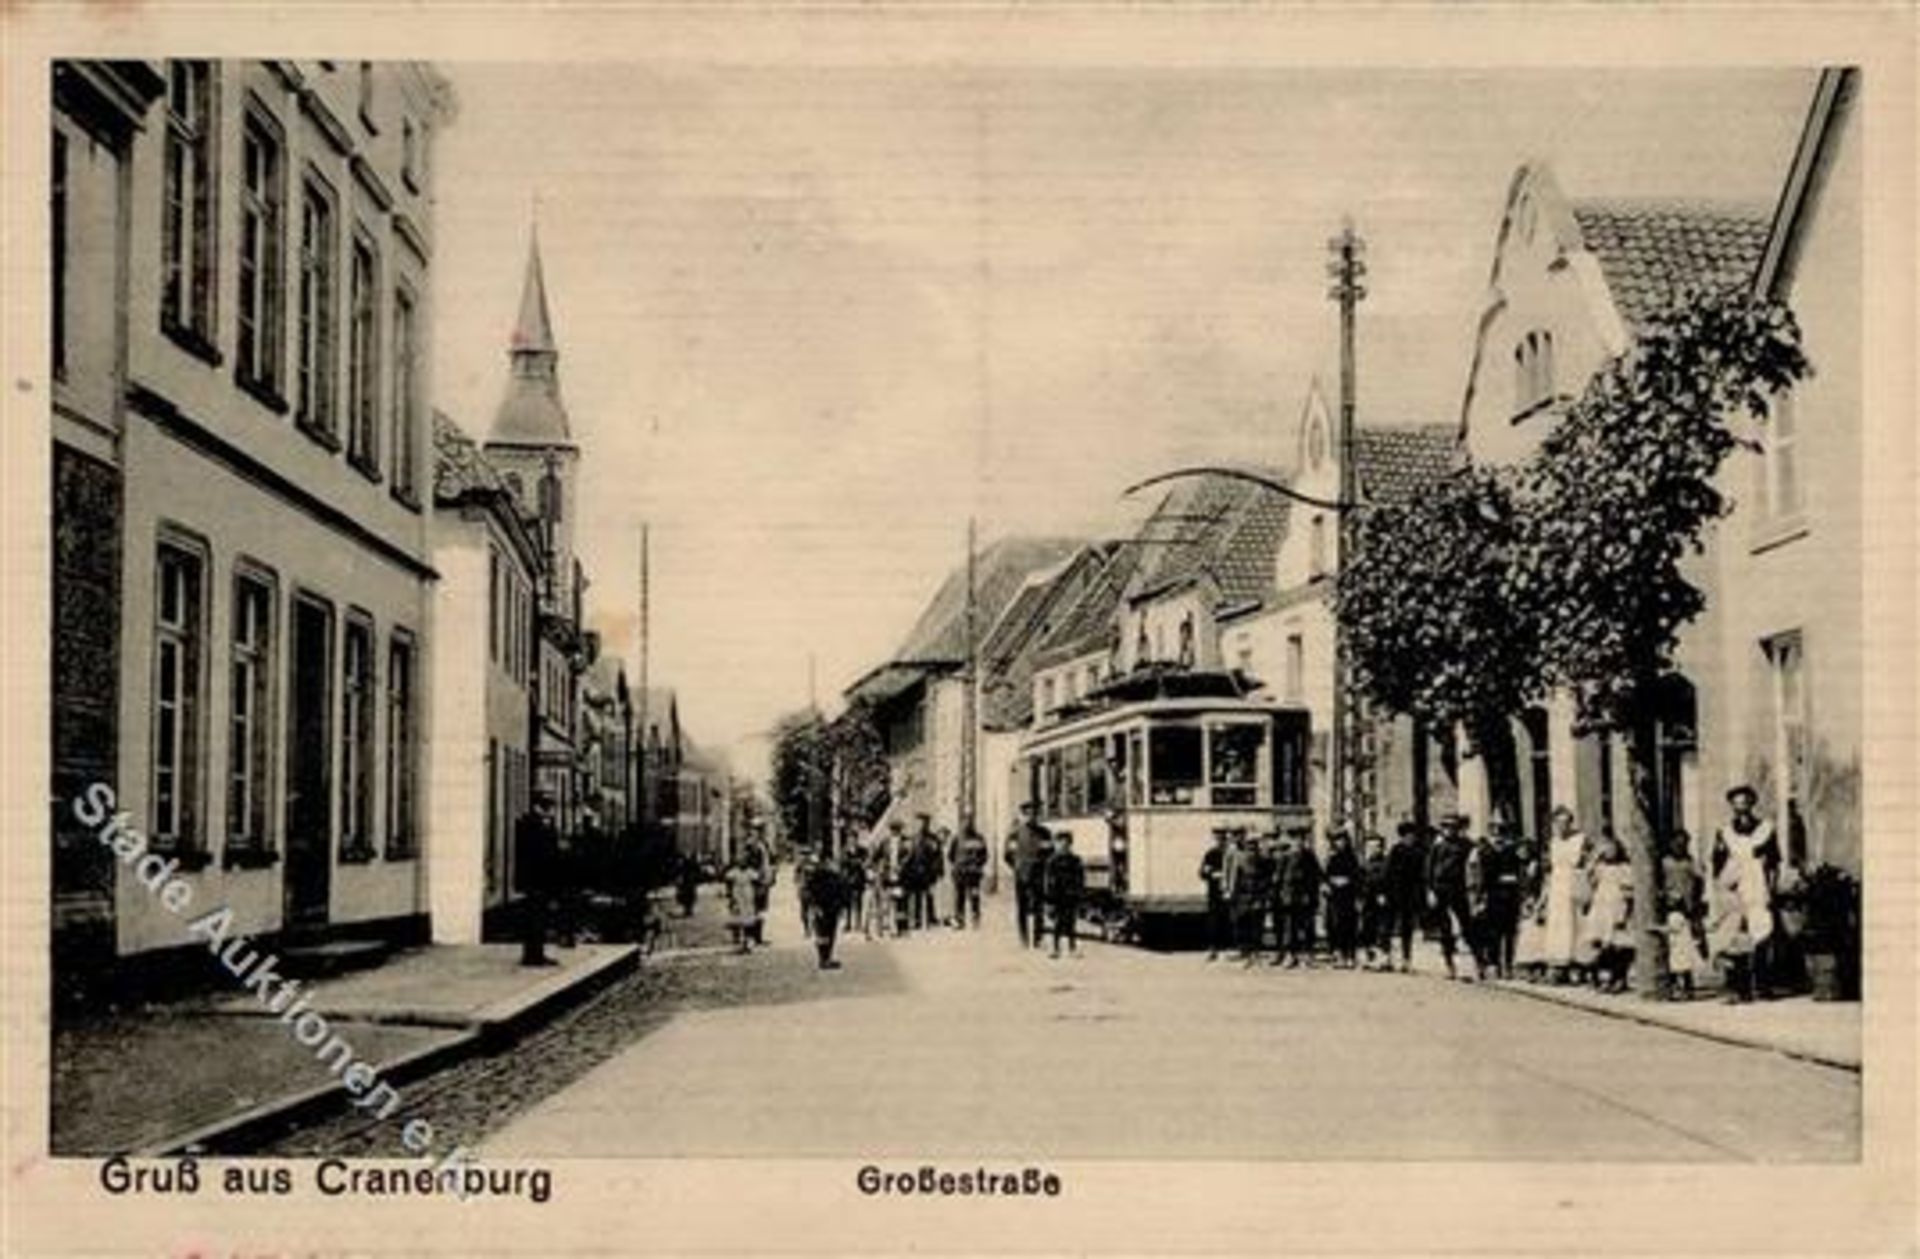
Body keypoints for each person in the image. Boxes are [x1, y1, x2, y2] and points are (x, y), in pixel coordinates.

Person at [1714, 785, 1782, 997]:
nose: (1741, 808)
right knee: (1736, 936)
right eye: (1736, 804)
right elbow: (1717, 863)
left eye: (1745, 803)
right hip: (1734, 886)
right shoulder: (1725, 832)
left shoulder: (1765, 830)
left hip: (1758, 886)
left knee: (1761, 934)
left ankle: (1762, 985)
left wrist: (1771, 889)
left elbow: (1774, 863)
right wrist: (1725, 886)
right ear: (1732, 806)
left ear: (1752, 804)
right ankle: (1739, 987)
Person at [1540, 805, 1589, 985]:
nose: (1561, 827)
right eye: (1558, 823)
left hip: (1573, 882)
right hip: (1557, 885)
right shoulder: (1552, 842)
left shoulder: (1580, 839)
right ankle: (1558, 966)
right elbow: (1548, 869)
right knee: (1558, 925)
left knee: (1575, 924)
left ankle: (1577, 965)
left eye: (1565, 823)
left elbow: (1587, 862)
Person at [1581, 833, 1635, 992]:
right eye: (1606, 849)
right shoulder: (1600, 868)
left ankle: (1619, 978)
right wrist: (1595, 858)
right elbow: (1588, 878)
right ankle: (1603, 977)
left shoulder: (1625, 868)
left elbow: (1629, 891)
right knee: (1600, 945)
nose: (1610, 852)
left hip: (1617, 906)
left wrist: (1626, 912)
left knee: (1619, 945)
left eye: (1613, 848)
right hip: (1601, 906)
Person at [515, 791, 562, 967]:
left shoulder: (540, 823)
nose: (551, 810)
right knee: (534, 918)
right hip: (535, 878)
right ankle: (532, 955)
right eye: (549, 806)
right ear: (541, 806)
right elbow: (534, 854)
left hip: (540, 879)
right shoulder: (531, 823)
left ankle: (537, 953)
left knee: (539, 918)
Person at [1426, 814, 1475, 980]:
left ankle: (1473, 965)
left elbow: (1474, 862)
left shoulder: (1466, 845)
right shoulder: (1437, 847)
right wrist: (1430, 891)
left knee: (1466, 926)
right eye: (1446, 827)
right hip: (1440, 890)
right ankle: (1450, 965)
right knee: (1444, 929)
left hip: (1459, 890)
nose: (1449, 830)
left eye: (1453, 827)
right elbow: (1429, 869)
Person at [1661, 830, 1706, 1000]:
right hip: (1671, 908)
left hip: (1689, 908)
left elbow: (1700, 880)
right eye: (1677, 843)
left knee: (1689, 947)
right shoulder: (1665, 862)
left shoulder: (1691, 862)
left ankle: (1688, 984)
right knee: (1672, 947)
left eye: (1684, 843)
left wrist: (1697, 899)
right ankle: (1672, 984)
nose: (1680, 846)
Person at [1480, 819, 1526, 980]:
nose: (1498, 836)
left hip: (1511, 895)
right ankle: (1495, 964)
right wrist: (1482, 895)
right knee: (1494, 932)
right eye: (1494, 832)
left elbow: (1521, 869)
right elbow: (1483, 876)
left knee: (1510, 931)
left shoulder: (1512, 850)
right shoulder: (1485, 851)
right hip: (1494, 895)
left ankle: (1508, 965)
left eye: (1501, 832)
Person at [1004, 802, 1051, 949]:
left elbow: (1049, 852)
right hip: (1022, 874)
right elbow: (1007, 855)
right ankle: (1023, 937)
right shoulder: (1015, 834)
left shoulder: (1044, 833)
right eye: (1028, 814)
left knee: (1039, 907)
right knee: (1022, 907)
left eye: (1034, 814)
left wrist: (1042, 865)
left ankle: (1038, 938)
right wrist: (1017, 867)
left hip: (1038, 873)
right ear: (1023, 815)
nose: (1032, 817)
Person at [1276, 827, 1322, 968]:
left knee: (1308, 926)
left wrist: (1313, 893)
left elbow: (1317, 875)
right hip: (1290, 896)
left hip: (1306, 896)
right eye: (1296, 839)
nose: (1299, 842)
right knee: (1290, 927)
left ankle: (1308, 955)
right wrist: (1282, 894)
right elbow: (1279, 878)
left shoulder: (1310, 856)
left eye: (1302, 839)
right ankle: (1291, 955)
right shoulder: (1285, 856)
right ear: (1291, 841)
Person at [1225, 831, 1272, 967]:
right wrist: (1232, 893)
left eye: (1254, 845)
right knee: (1242, 923)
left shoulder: (1263, 860)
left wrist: (1265, 895)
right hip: (1243, 896)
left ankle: (1256, 952)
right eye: (1249, 845)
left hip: (1257, 895)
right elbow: (1235, 878)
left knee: (1257, 924)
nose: (1251, 848)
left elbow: (1267, 878)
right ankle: (1245, 951)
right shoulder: (1240, 859)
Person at [1383, 821, 1425, 972]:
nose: (1410, 838)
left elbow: (1421, 876)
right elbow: (1387, 874)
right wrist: (1384, 892)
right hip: (1394, 894)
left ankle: (1406, 960)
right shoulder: (1395, 851)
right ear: (1402, 836)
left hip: (1409, 895)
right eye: (1408, 836)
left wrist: (1419, 896)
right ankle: (1387, 958)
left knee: (1407, 928)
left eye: (1412, 835)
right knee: (1388, 926)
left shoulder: (1418, 853)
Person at [1043, 830, 1087, 958]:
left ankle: (1072, 948)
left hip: (1071, 895)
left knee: (1071, 924)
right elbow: (1048, 881)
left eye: (1066, 842)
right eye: (1060, 842)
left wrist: (1080, 893)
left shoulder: (1076, 860)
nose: (1063, 845)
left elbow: (1080, 878)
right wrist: (1049, 899)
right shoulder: (1052, 861)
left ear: (1070, 844)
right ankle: (1055, 949)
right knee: (1057, 923)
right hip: (1057, 896)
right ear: (1056, 844)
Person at [1322, 830, 1362, 969]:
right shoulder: (1332, 858)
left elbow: (1357, 878)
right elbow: (1325, 876)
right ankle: (1339, 955)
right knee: (1335, 925)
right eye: (1338, 840)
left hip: (1348, 896)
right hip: (1335, 897)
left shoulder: (1352, 858)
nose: (1341, 843)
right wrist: (1328, 884)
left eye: (1343, 840)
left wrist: (1356, 895)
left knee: (1349, 926)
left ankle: (1350, 956)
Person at [804, 854, 851, 970]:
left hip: (832, 909)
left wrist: (841, 908)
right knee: (822, 934)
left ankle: (827, 958)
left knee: (830, 934)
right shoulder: (817, 876)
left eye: (832, 862)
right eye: (828, 862)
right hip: (821, 908)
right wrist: (814, 906)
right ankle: (822, 959)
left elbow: (843, 892)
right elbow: (809, 892)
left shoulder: (836, 876)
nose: (831, 865)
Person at [1359, 833, 1393, 970]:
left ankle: (1385, 958)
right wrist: (1360, 898)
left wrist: (1384, 893)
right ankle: (1369, 957)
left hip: (1381, 899)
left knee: (1383, 929)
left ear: (1382, 848)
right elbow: (1360, 882)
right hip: (1367, 900)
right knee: (1367, 928)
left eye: (1377, 846)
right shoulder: (1364, 864)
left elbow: (1389, 881)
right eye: (1370, 846)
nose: (1373, 849)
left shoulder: (1387, 863)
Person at [1198, 830, 1233, 961]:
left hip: (1230, 891)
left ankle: (1229, 948)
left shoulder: (1231, 853)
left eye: (1223, 839)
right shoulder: (1211, 854)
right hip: (1214, 892)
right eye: (1218, 839)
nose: (1221, 842)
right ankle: (1213, 949)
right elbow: (1202, 872)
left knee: (1230, 920)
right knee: (1213, 921)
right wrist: (1213, 874)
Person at [950, 824, 989, 929]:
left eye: (970, 820)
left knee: (974, 896)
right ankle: (959, 920)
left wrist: (978, 864)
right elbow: (950, 855)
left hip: (974, 874)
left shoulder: (979, 838)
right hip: (960, 873)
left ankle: (975, 918)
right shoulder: (957, 838)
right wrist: (959, 864)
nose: (967, 823)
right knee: (959, 897)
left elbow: (985, 855)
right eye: (965, 820)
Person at [724, 855, 761, 954]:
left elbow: (757, 881)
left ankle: (748, 941)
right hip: (737, 896)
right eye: (740, 862)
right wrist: (730, 896)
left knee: (748, 920)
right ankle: (737, 941)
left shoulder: (750, 872)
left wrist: (756, 894)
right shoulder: (734, 872)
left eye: (744, 862)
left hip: (748, 896)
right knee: (736, 919)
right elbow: (728, 881)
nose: (742, 864)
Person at [674, 849, 701, 918]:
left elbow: (696, 871)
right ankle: (688, 909)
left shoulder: (690, 863)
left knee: (689, 896)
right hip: (687, 882)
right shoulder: (686, 863)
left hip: (689, 882)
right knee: (687, 896)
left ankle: (688, 909)